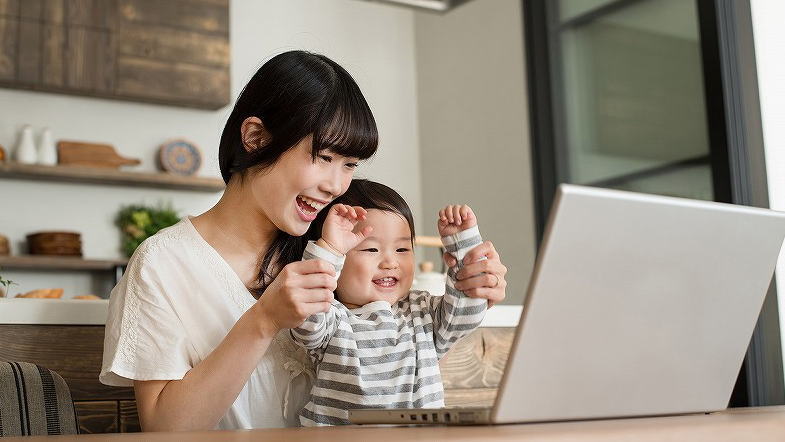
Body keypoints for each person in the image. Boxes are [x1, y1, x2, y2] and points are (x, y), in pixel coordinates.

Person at [100, 50, 509, 432]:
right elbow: (164, 429)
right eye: (323, 157)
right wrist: (263, 322)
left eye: (349, 164)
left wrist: (472, 285)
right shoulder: (164, 263)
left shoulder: (337, 246)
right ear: (256, 137)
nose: (336, 185)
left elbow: (404, 344)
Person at [290, 179, 488, 426]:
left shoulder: (421, 311)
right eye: (371, 250)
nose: (390, 263)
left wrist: (463, 244)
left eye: (402, 250)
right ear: (339, 259)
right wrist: (329, 248)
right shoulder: (332, 317)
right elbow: (305, 311)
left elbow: (467, 314)